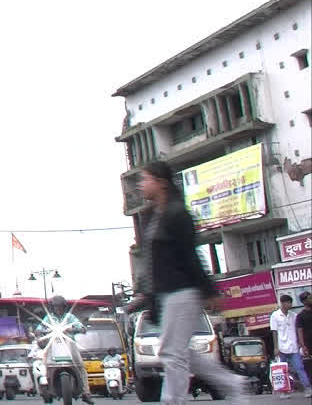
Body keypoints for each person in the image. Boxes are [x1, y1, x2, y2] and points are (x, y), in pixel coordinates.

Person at [126, 160, 243, 405]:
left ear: (161, 183)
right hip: (165, 294)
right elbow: (154, 263)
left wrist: (209, 291)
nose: (141, 185)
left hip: (183, 291)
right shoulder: (152, 216)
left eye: (145, 179)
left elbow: (191, 255)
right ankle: (230, 382)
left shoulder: (178, 214)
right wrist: (147, 296)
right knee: (175, 349)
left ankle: (173, 400)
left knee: (171, 352)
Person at [34, 294, 93, 404]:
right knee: (44, 365)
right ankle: (47, 388)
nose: (58, 309)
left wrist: (76, 329)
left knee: (80, 366)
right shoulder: (49, 318)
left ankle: (86, 393)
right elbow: (39, 329)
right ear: (52, 308)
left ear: (64, 307)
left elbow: (81, 327)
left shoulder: (70, 317)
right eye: (56, 307)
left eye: (60, 306)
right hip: (52, 344)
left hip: (69, 344)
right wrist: (39, 333)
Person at [270, 294, 311, 397]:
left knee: (299, 368)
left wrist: (300, 344)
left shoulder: (294, 315)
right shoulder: (275, 315)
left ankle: (308, 388)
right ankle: (284, 391)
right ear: (283, 303)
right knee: (282, 371)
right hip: (281, 347)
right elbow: (274, 332)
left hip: (293, 347)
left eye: (290, 302)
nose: (290, 305)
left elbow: (298, 330)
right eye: (288, 302)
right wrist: (275, 347)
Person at [296, 291, 312, 390]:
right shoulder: (300, 315)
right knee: (309, 368)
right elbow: (299, 331)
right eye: (310, 297)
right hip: (309, 344)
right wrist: (302, 345)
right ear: (304, 301)